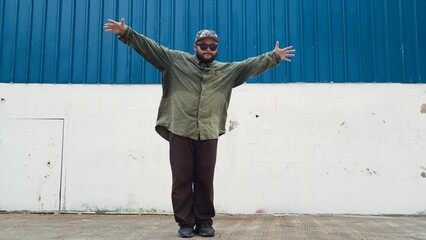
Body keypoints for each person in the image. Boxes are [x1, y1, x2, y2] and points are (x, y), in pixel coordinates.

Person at [104, 18, 295, 238]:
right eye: (203, 45)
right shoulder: (175, 61)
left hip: (209, 132)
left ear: (216, 49)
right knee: (182, 179)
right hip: (180, 130)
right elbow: (150, 48)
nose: (208, 49)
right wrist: (125, 32)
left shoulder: (226, 71)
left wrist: (273, 57)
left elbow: (249, 65)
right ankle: (185, 223)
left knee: (205, 180)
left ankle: (204, 222)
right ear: (195, 47)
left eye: (212, 46)